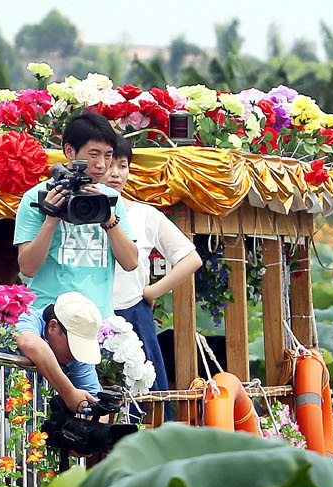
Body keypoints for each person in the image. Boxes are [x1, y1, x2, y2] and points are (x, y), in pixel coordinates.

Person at [14, 112, 138, 413]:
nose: (101, 164)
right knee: (41, 416)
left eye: (108, 156)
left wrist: (109, 219)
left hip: (99, 325)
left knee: (99, 414)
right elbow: (26, 268)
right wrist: (50, 218)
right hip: (52, 325)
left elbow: (131, 261)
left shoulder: (111, 198)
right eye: (93, 154)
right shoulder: (37, 197)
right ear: (69, 152)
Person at [105, 141, 200, 403]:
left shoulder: (145, 215)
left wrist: (151, 291)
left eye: (122, 166)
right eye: (109, 165)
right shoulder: (76, 213)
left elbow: (190, 258)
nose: (115, 173)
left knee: (145, 400)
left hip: (133, 314)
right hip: (90, 314)